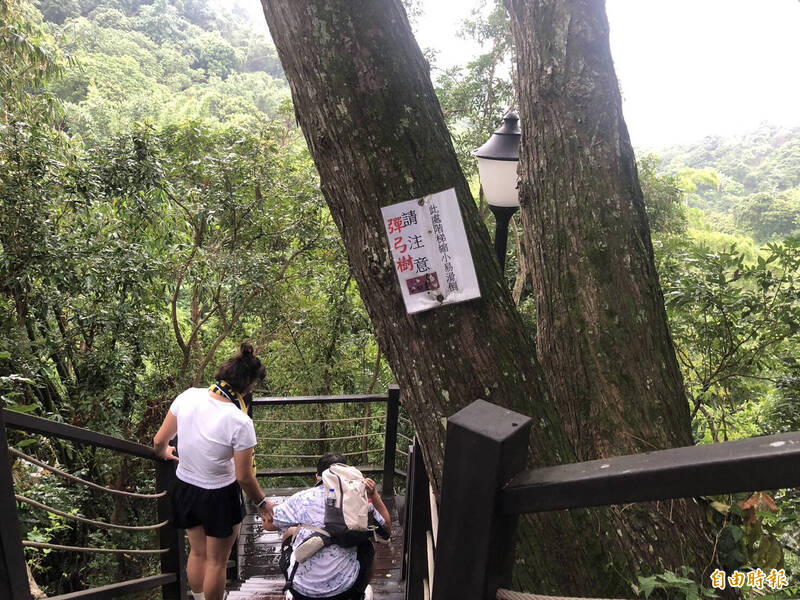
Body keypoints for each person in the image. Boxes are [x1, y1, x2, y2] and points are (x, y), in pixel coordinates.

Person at [153, 342, 275, 600]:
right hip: (220, 495)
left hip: (185, 487)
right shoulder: (239, 421)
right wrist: (262, 503)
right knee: (217, 562)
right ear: (248, 387)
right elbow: (243, 476)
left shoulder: (188, 396)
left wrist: (164, 451)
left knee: (198, 553)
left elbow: (159, 442)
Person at [263, 453, 391, 600]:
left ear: (318, 477)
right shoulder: (359, 502)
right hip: (344, 590)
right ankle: (359, 593)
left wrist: (274, 509)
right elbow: (386, 529)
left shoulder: (303, 498)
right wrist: (374, 494)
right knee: (367, 545)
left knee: (290, 532)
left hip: (301, 590)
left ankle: (292, 586)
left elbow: (268, 523)